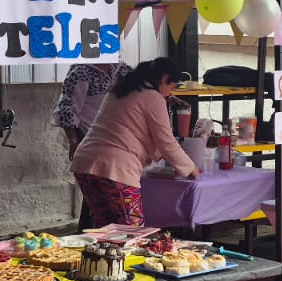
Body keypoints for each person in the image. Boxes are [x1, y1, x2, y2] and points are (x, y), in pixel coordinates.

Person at [70, 58, 198, 226]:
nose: (169, 94)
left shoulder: (121, 89)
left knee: (106, 228)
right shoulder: (153, 97)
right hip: (114, 167)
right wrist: (191, 168)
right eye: (171, 87)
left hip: (85, 163)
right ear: (164, 79)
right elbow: (167, 143)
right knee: (132, 231)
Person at [51, 63, 132, 228]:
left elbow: (141, 93)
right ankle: (91, 233)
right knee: (97, 192)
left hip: (117, 141)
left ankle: (96, 232)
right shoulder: (81, 72)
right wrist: (74, 141)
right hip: (90, 140)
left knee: (105, 194)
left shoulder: (122, 70)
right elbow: (67, 110)